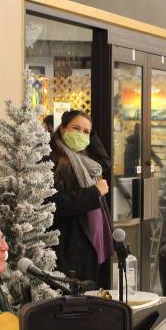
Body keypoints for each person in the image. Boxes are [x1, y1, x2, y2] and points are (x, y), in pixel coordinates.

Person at [50, 110, 113, 285]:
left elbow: (104, 160)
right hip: (69, 246)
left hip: (90, 242)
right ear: (62, 129)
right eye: (76, 128)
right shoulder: (53, 159)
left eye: (86, 132)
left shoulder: (85, 161)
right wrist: (95, 192)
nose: (81, 135)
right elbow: (54, 204)